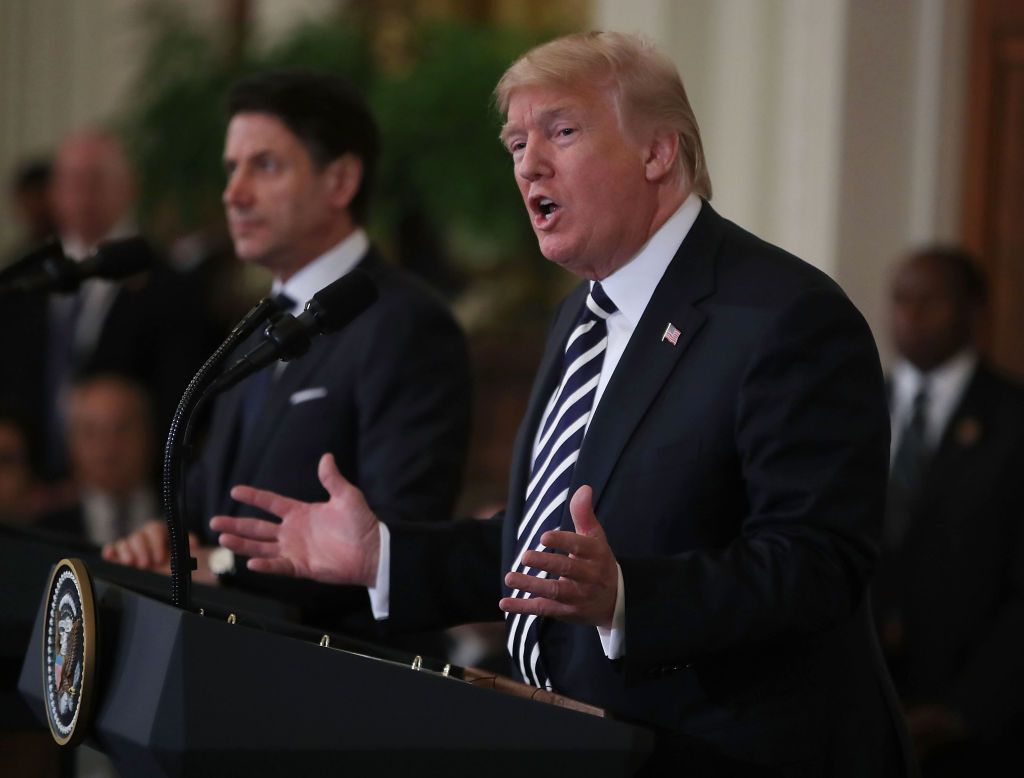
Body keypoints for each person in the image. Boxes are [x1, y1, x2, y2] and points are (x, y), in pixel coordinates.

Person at [211, 33, 910, 775]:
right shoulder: (581, 318)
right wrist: (384, 556)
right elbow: (547, 554)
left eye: (562, 132)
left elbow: (819, 563)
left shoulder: (783, 315)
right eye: (516, 144)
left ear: (657, 153)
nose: (528, 165)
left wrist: (629, 598)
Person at [104, 70, 471, 629]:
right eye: (231, 169)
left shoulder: (408, 324)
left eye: (265, 166)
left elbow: (401, 538)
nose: (234, 193)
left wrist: (221, 567)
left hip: (334, 675)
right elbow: (207, 507)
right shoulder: (258, 324)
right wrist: (167, 539)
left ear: (341, 180)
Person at [874, 246, 1024, 776]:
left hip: (974, 723)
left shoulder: (1012, 419)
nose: (910, 316)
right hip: (863, 706)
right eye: (900, 300)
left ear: (975, 311)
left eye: (930, 301)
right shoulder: (855, 405)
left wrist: (965, 709)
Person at [0, 130, 211, 482]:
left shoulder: (170, 285)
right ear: (53, 191)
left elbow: (180, 399)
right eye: (70, 180)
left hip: (128, 494)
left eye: (95, 180)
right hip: (29, 491)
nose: (82, 195)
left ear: (129, 186)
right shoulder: (23, 280)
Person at [39, 373, 158, 546]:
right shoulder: (45, 532)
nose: (108, 447)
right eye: (91, 432)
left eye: (122, 429)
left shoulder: (186, 516)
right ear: (70, 442)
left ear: (148, 435)